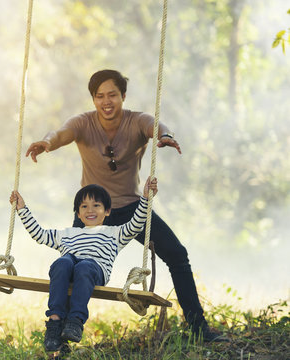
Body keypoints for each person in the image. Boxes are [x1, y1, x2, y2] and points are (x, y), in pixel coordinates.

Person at [25, 69, 227, 342]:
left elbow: (155, 126)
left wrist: (165, 136)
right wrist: (46, 143)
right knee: (71, 266)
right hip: (92, 214)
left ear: (123, 96)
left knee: (178, 256)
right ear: (93, 99)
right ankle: (60, 335)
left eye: (112, 95)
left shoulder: (135, 121)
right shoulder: (83, 123)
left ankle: (198, 328)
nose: (106, 101)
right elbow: (60, 133)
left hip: (133, 209)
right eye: (99, 96)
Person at [10, 177, 158, 352]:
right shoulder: (67, 234)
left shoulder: (115, 233)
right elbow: (39, 234)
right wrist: (22, 209)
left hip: (94, 271)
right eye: (84, 206)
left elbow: (136, 224)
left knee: (84, 266)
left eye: (96, 205)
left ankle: (75, 321)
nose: (90, 210)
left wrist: (146, 198)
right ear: (78, 213)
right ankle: (55, 321)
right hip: (70, 270)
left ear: (107, 211)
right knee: (62, 262)